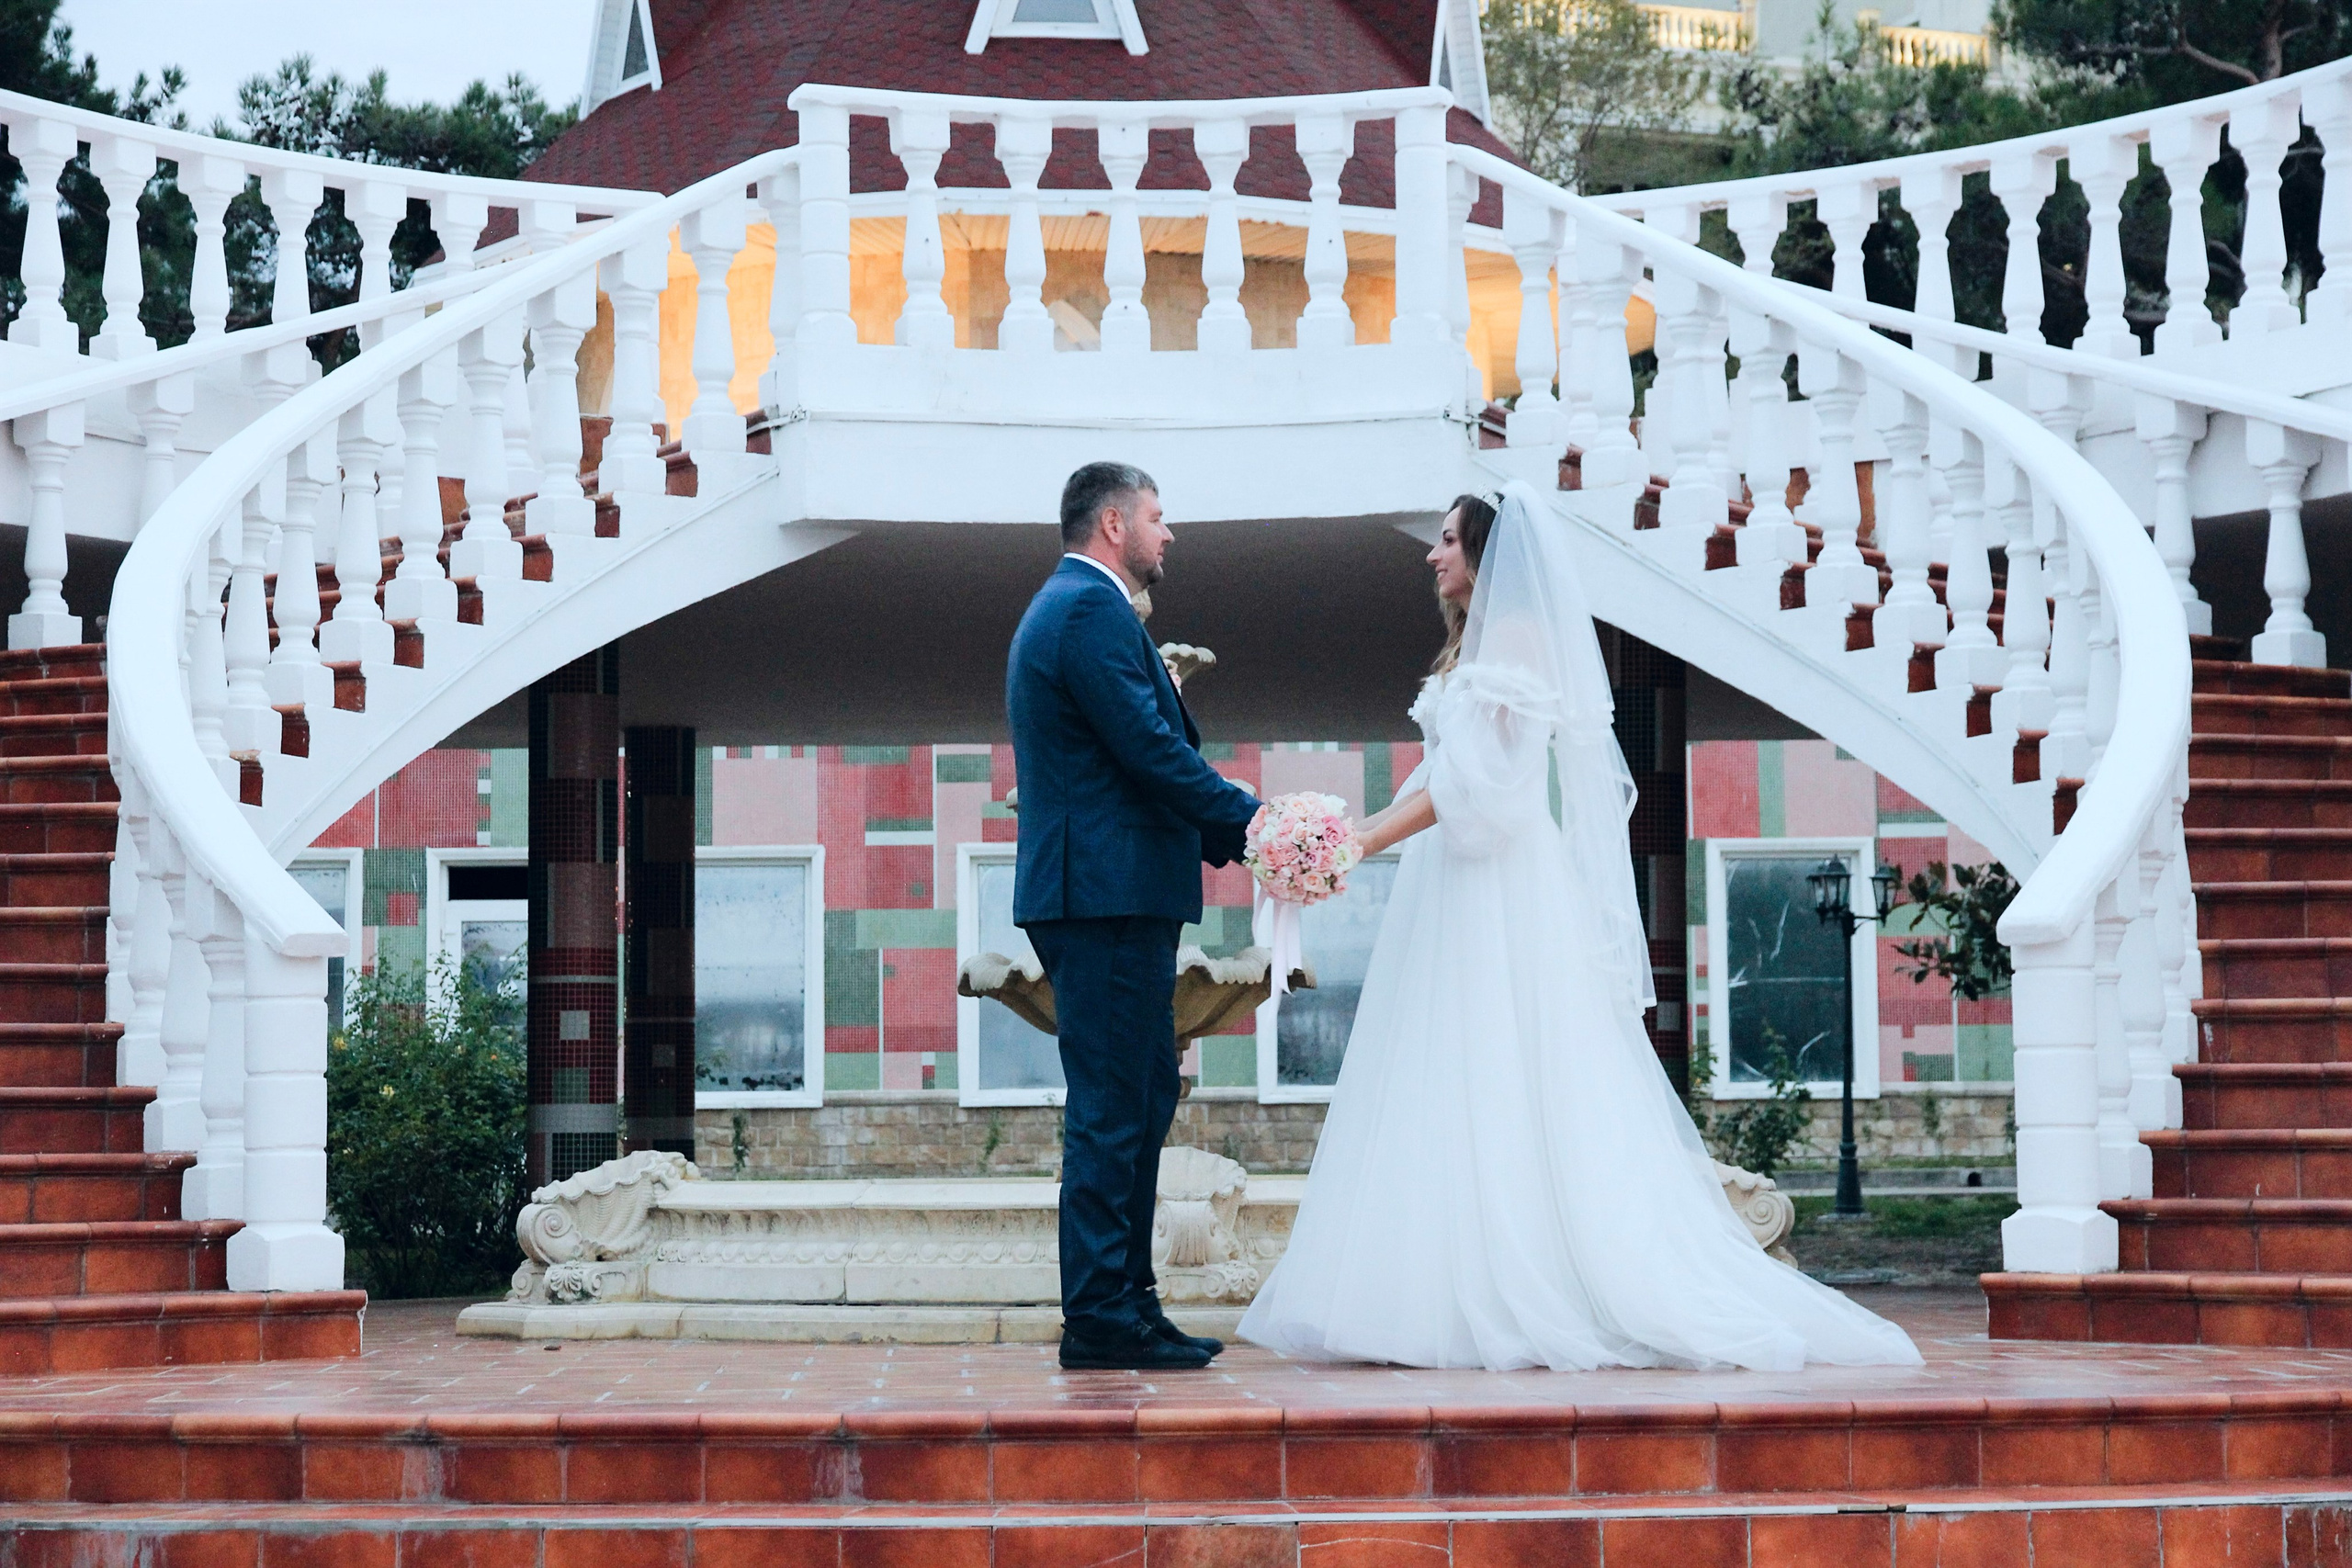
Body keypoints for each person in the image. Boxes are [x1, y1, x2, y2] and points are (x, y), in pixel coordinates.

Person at [1237, 481, 1922, 1371]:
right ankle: (1440, 1284)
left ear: (1487, 555)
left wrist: (1358, 842)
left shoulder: (1515, 644)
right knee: (1449, 1069)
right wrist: (1346, 832)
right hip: (1456, 884)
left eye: (1446, 540)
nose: (1431, 553)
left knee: (1503, 1066)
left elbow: (1479, 789)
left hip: (1496, 888)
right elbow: (1440, 778)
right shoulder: (1472, 652)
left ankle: (1525, 1284)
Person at [1007, 460, 1262, 1371]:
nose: (1170, 532)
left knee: (1141, 1096)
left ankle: (1129, 1301)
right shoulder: (1086, 610)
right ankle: (1101, 1317)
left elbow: (1136, 756)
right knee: (1115, 1107)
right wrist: (1251, 821)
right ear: (1113, 525)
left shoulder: (1086, 610)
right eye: (1158, 516)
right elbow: (1148, 749)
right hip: (1102, 899)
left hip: (1116, 895)